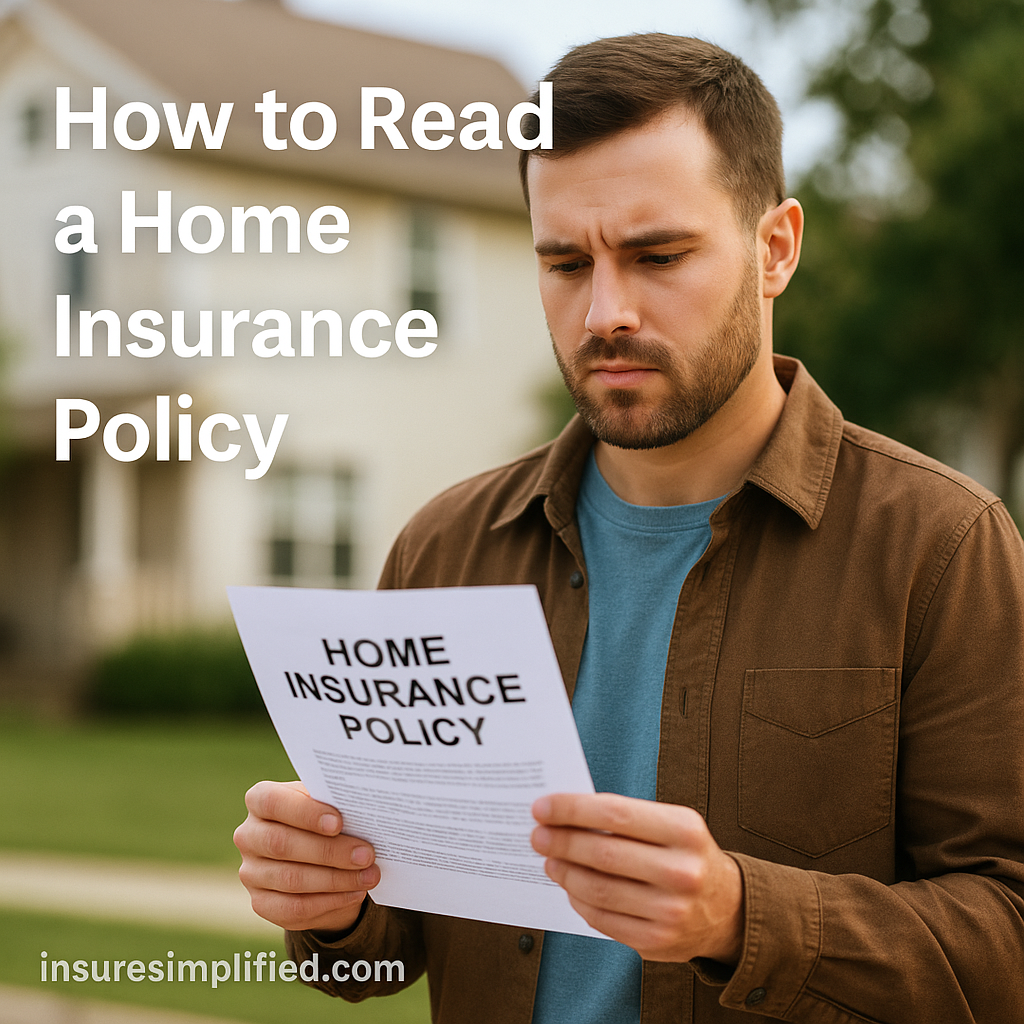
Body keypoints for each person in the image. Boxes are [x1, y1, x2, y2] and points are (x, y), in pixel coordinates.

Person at [233, 33, 1024, 1023]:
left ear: (776, 248)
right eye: (565, 262)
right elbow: (383, 957)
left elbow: (1010, 937)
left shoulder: (940, 548)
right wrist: (333, 905)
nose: (604, 311)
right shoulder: (446, 549)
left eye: (658, 256)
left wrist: (740, 916)